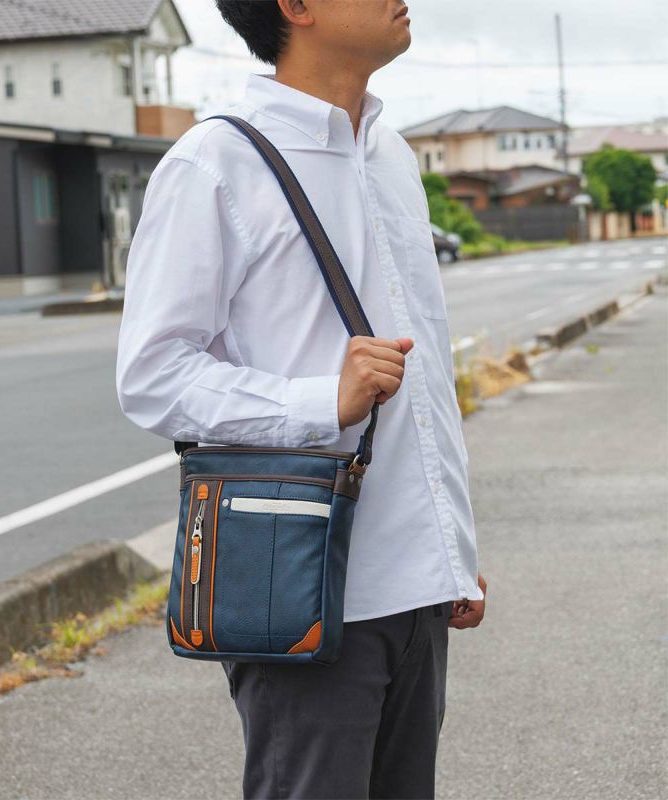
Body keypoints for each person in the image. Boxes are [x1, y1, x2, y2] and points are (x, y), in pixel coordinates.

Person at [116, 1, 487, 797]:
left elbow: (422, 374)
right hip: (299, 585)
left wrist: (453, 548)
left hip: (418, 585)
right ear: (295, 6)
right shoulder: (214, 163)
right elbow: (153, 375)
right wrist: (322, 400)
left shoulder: (391, 154)